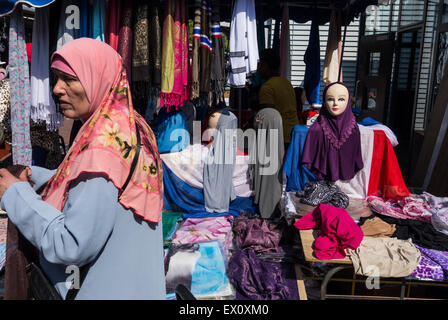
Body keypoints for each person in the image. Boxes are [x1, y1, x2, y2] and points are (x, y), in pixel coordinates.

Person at [0, 38, 166, 300]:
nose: (57, 89)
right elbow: (106, 195)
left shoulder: (100, 149)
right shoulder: (132, 127)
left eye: (69, 79)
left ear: (96, 78)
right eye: (56, 78)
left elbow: (71, 245)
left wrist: (16, 195)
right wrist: (41, 179)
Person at [302, 82, 363, 182]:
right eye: (330, 99)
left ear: (348, 102)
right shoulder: (317, 129)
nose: (335, 103)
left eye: (341, 99)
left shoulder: (353, 129)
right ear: (325, 102)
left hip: (349, 187)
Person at [257, 49, 299, 149]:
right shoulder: (286, 83)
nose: (258, 68)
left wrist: (255, 121)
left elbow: (267, 116)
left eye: (259, 64)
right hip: (293, 134)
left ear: (265, 66)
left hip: (278, 136)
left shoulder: (267, 87)